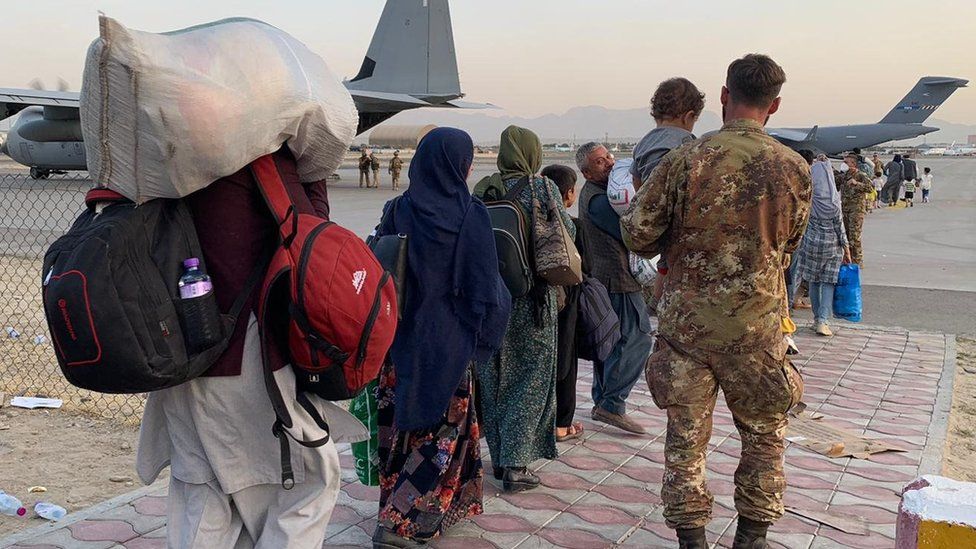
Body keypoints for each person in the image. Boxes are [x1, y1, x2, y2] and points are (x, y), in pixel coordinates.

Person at [621, 54, 809, 549]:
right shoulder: (794, 167)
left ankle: (692, 541)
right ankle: (753, 539)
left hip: (689, 333)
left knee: (685, 443)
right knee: (765, 439)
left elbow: (639, 234)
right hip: (760, 331)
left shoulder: (685, 159)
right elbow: (789, 246)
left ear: (725, 96)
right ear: (775, 105)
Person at [137, 148, 365, 548]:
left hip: (178, 355)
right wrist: (314, 173)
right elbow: (312, 241)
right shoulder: (262, 165)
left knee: (205, 489)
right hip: (246, 360)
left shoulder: (164, 162)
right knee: (311, 479)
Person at [371, 128, 511, 548]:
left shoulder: (397, 209)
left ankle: (411, 512)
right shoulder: (471, 216)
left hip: (400, 342)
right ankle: (400, 522)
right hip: (449, 345)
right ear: (459, 165)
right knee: (442, 435)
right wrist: (485, 337)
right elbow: (485, 290)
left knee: (402, 432)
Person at [474, 125, 576, 492]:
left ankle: (500, 459)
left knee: (494, 378)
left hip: (489, 299)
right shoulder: (542, 187)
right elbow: (566, 235)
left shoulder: (483, 188)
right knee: (529, 380)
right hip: (531, 300)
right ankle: (516, 465)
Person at [577, 141, 652, 435]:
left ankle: (603, 399)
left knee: (609, 342)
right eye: (599, 161)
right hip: (617, 280)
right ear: (586, 172)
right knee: (638, 338)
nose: (609, 163)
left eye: (608, 156)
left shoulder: (602, 194)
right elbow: (630, 232)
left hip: (608, 278)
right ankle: (612, 404)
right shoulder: (598, 200)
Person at [631, 78, 706, 308]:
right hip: (684, 228)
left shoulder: (643, 143)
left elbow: (637, 182)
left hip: (657, 223)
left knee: (665, 264)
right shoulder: (687, 142)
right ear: (688, 116)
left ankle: (657, 302)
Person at [541, 163, 586, 443]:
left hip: (536, 303)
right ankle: (561, 425)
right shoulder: (573, 226)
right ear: (569, 194)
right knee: (566, 362)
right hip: (567, 304)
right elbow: (585, 270)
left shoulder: (531, 221)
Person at [795, 153, 852, 336]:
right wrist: (847, 249)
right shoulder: (834, 203)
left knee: (813, 282)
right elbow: (840, 228)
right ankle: (823, 320)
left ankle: (815, 319)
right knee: (828, 283)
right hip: (832, 247)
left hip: (811, 245)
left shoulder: (810, 200)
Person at [837, 154, 875, 265]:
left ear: (853, 164)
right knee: (846, 235)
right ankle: (847, 259)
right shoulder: (844, 176)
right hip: (845, 209)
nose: (844, 164)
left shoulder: (861, 175)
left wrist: (857, 184)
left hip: (856, 210)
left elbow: (870, 188)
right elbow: (834, 181)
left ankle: (857, 261)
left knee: (855, 236)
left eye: (847, 162)